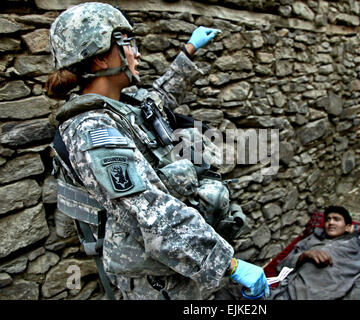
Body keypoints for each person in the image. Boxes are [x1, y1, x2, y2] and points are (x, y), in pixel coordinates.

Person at [45, 2, 269, 300]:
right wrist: (229, 265)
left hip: (181, 265)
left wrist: (189, 50)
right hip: (158, 285)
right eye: (127, 44)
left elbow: (157, 98)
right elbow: (148, 212)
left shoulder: (127, 104)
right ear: (100, 58)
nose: (136, 53)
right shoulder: (91, 131)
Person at [268, 206, 360, 300]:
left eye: (336, 219)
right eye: (327, 219)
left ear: (348, 226)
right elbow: (282, 266)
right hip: (288, 291)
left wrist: (357, 228)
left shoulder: (359, 242)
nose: (330, 222)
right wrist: (305, 255)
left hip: (322, 291)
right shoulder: (310, 241)